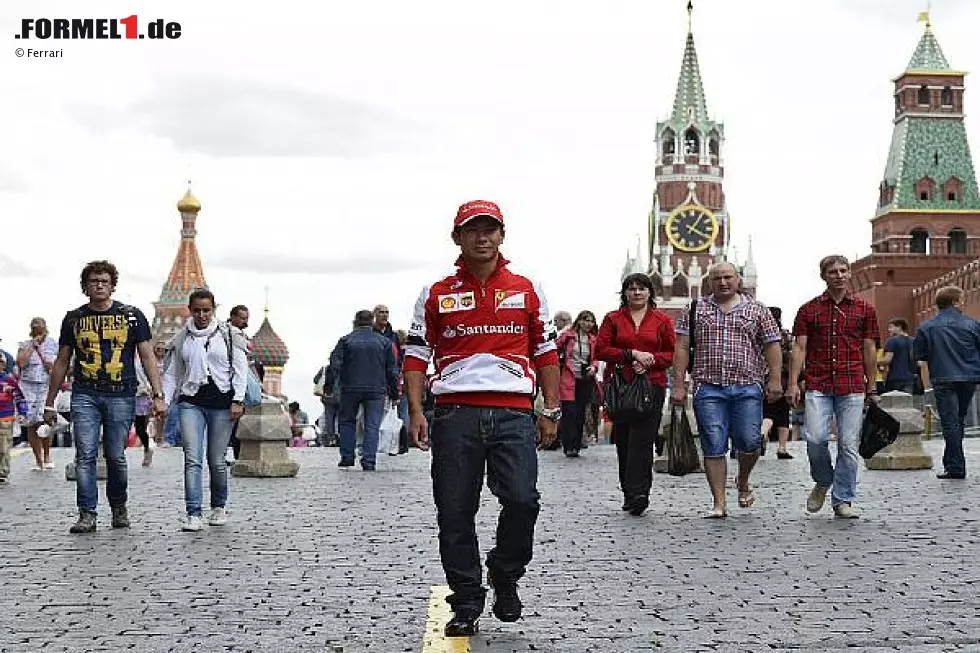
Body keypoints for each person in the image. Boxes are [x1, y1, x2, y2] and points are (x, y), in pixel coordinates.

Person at [404, 199, 560, 637]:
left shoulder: (528, 289)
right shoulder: (436, 293)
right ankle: (467, 600)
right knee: (454, 511)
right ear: (457, 237)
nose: (482, 237)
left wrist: (550, 408)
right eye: (472, 230)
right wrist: (416, 411)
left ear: (502, 236)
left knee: (522, 500)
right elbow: (416, 355)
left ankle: (505, 572)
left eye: (490, 229)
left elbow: (546, 351)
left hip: (512, 412)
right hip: (454, 414)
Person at [44, 260, 165, 534]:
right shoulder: (74, 319)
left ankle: (119, 506)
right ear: (85, 287)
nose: (99, 285)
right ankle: (87, 513)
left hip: (121, 393)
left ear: (112, 286)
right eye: (94, 281)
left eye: (104, 281)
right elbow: (63, 360)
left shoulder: (131, 316)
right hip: (85, 392)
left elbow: (146, 355)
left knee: (115, 456)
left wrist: (158, 394)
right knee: (85, 454)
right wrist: (50, 401)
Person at [672, 263, 782, 518]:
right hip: (707, 386)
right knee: (713, 443)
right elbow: (681, 347)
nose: (723, 282)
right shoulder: (694, 308)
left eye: (728, 277)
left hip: (747, 385)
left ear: (738, 279)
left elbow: (772, 345)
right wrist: (678, 384)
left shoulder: (757, 309)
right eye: (717, 278)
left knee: (749, 441)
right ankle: (719, 503)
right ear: (709, 281)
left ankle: (742, 480)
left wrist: (775, 379)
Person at [787, 255, 878, 519]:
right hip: (819, 383)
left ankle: (843, 499)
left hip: (852, 384)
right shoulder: (809, 310)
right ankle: (823, 480)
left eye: (843, 270)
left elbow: (869, 349)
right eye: (832, 271)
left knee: (849, 445)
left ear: (849, 274)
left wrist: (872, 387)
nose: (838, 275)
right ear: (823, 276)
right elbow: (799, 347)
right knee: (815, 438)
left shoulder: (864, 309)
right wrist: (793, 383)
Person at [162, 289, 248, 531]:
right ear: (189, 310)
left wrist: (238, 401)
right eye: (197, 310)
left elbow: (240, 371)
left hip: (222, 404)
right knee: (192, 458)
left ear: (214, 310)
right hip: (191, 402)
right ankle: (193, 512)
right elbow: (171, 373)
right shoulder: (182, 338)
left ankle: (218, 506)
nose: (201, 315)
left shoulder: (229, 336)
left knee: (217, 460)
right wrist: (164, 401)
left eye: (206, 310)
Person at [595, 274, 675, 515]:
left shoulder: (661, 320)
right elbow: (601, 349)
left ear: (650, 292)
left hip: (652, 385)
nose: (637, 293)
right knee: (624, 441)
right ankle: (629, 491)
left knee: (643, 440)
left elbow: (671, 353)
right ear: (625, 293)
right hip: (621, 386)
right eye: (632, 289)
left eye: (641, 289)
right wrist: (631, 355)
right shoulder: (613, 319)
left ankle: (640, 493)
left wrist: (650, 361)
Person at [913, 285, 980, 480]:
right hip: (969, 378)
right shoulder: (973, 324)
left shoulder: (926, 327)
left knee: (950, 422)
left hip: (943, 378)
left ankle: (956, 467)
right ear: (955, 302)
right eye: (962, 299)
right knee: (957, 420)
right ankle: (952, 464)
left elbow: (920, 355)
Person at [329, 310, 399, 470]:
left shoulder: (345, 341)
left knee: (347, 421)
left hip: (350, 388)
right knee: (372, 425)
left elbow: (334, 364)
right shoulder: (384, 343)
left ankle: (347, 456)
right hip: (376, 389)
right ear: (373, 321)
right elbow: (392, 370)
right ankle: (369, 460)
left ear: (354, 322)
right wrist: (394, 392)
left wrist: (330, 385)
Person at [16, 318, 59, 471]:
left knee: (45, 421)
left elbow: (62, 365)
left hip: (46, 385)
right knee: (31, 423)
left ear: (45, 328)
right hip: (28, 386)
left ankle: (47, 456)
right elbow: (20, 363)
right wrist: (32, 346)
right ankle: (38, 459)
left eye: (40, 328)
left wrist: (51, 366)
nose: (38, 331)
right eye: (35, 328)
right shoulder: (24, 344)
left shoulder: (54, 344)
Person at [555, 311, 600, 457]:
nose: (588, 324)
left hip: (585, 379)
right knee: (569, 412)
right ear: (579, 321)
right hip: (568, 377)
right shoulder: (568, 336)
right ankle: (568, 445)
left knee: (581, 413)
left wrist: (593, 367)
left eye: (591, 321)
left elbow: (596, 357)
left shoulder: (593, 339)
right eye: (585, 320)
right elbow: (554, 347)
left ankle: (576, 445)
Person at [765, 307, 794, 460]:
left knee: (765, 412)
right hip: (782, 378)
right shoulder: (785, 335)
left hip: (762, 378)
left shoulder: (760, 332)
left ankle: (763, 431)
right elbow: (792, 356)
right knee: (782, 414)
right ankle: (782, 447)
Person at [0, 354, 28, 484]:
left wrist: (22, 412)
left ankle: (2, 471)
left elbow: (19, 396)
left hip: (5, 418)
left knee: (4, 447)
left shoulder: (9, 380)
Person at [881, 318, 917, 394]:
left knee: (893, 403)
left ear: (899, 327)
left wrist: (874, 362)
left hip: (894, 378)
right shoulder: (913, 341)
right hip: (910, 378)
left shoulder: (892, 341)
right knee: (907, 403)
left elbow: (887, 360)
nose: (889, 330)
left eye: (891, 327)